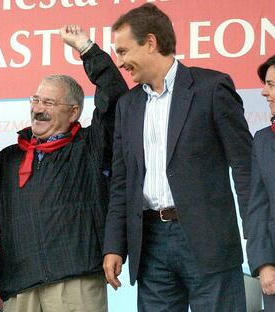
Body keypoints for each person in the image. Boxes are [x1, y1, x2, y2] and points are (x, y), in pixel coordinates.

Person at [102, 3, 252, 312]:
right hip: (150, 243)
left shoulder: (211, 88)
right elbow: (121, 183)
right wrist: (115, 245)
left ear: (152, 43)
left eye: (123, 51)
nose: (120, 62)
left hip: (209, 241)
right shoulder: (127, 106)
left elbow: (245, 168)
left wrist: (259, 240)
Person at [0, 25, 128, 312]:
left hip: (75, 284)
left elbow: (115, 97)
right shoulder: (7, 160)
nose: (38, 109)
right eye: (35, 100)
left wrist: (87, 49)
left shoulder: (90, 146)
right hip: (19, 289)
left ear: (74, 111)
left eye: (48, 102)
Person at [246, 55, 275, 311]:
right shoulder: (263, 140)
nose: (264, 92)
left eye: (272, 85)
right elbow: (258, 208)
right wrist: (264, 263)